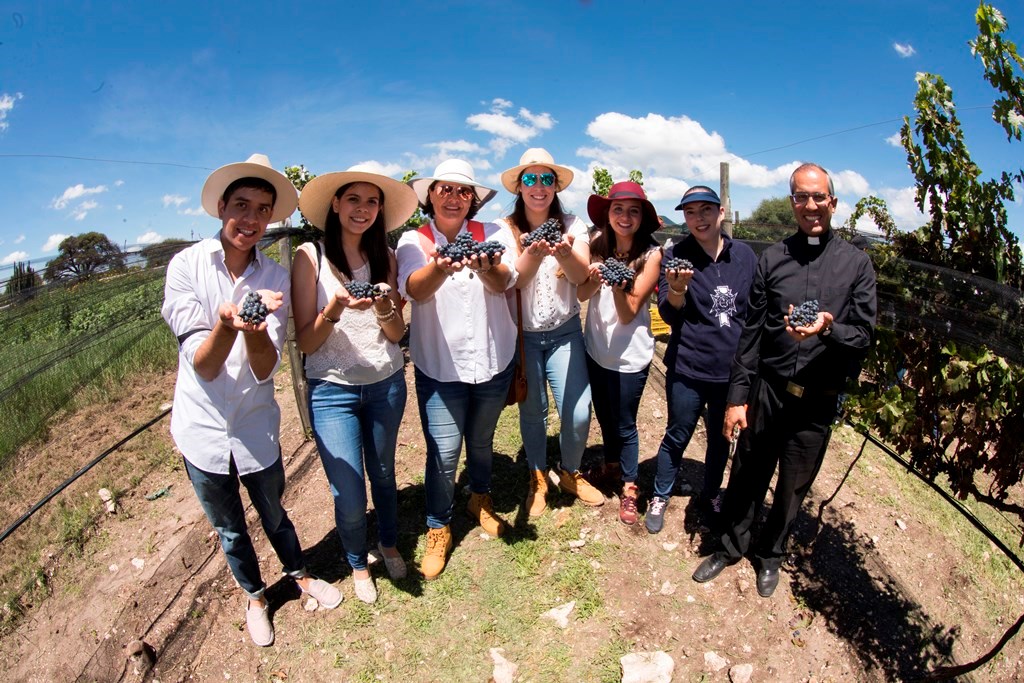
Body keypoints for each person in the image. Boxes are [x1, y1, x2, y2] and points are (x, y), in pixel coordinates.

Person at [161, 153, 342, 647]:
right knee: (231, 529)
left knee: (275, 511)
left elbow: (264, 366)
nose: (251, 219)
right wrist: (226, 323)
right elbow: (203, 363)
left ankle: (299, 574)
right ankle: (255, 595)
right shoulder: (187, 267)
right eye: (241, 205)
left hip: (255, 424)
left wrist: (255, 327)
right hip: (202, 430)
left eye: (262, 209)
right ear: (221, 207)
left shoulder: (274, 277)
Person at [691, 163, 877, 597]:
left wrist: (828, 327)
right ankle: (730, 545)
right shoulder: (773, 258)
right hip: (769, 390)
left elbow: (864, 335)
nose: (810, 206)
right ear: (792, 201)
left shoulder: (857, 265)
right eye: (800, 197)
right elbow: (751, 333)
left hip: (817, 398)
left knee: (793, 485)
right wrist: (738, 397)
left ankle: (770, 555)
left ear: (832, 201)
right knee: (747, 471)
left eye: (818, 197)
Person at [292, 166, 419, 604]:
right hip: (332, 392)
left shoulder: (386, 255)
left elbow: (396, 335)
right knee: (347, 491)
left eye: (371, 202)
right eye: (353, 200)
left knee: (384, 474)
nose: (362, 209)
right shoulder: (309, 256)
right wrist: (334, 308)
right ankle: (357, 562)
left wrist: (385, 305)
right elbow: (306, 340)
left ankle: (387, 543)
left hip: (384, 384)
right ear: (335, 204)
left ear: (380, 209)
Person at [396, 159, 517, 580]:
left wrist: (486, 266)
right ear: (430, 195)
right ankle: (437, 524)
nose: (453, 197)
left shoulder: (494, 234)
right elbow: (414, 289)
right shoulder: (414, 241)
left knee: (482, 442)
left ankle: (479, 499)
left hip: (491, 360)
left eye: (463, 191)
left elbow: (506, 282)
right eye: (444, 189)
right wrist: (441, 266)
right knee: (444, 453)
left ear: (473, 200)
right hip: (440, 366)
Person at [645, 186, 757, 534]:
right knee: (677, 433)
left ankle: (710, 494)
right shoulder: (677, 255)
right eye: (690, 212)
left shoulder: (745, 257)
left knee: (720, 439)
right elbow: (667, 310)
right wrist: (677, 289)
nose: (698, 218)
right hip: (689, 368)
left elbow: (754, 311)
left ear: (720, 212)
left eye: (705, 210)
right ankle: (660, 494)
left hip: (731, 374)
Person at [497, 148, 602, 517]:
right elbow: (514, 280)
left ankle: (570, 472)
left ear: (555, 186)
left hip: (564, 331)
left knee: (576, 411)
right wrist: (534, 252)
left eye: (546, 179)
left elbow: (580, 275)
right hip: (524, 336)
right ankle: (537, 478)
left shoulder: (573, 225)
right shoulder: (505, 228)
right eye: (530, 179)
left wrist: (560, 251)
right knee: (534, 411)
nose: (538, 186)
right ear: (520, 186)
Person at [578, 181, 663, 525]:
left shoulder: (652, 255)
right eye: (618, 209)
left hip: (630, 356)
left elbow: (628, 312)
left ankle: (630, 487)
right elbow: (582, 294)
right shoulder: (597, 246)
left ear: (642, 217)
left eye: (633, 210)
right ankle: (612, 466)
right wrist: (597, 277)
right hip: (597, 349)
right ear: (608, 214)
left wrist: (616, 282)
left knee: (625, 423)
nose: (625, 216)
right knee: (605, 415)